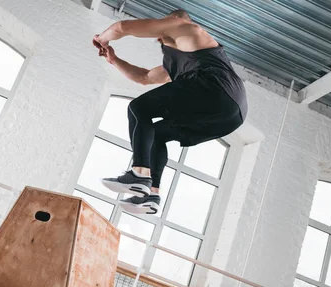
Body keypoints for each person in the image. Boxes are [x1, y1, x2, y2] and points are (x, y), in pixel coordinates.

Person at [93, 9, 247, 215]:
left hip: (216, 90)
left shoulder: (188, 30)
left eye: (163, 30)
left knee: (138, 107)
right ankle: (151, 194)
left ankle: (139, 172)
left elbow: (121, 28)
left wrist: (101, 39)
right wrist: (114, 60)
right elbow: (144, 77)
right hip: (231, 115)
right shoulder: (175, 64)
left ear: (172, 22)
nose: (160, 38)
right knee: (156, 135)